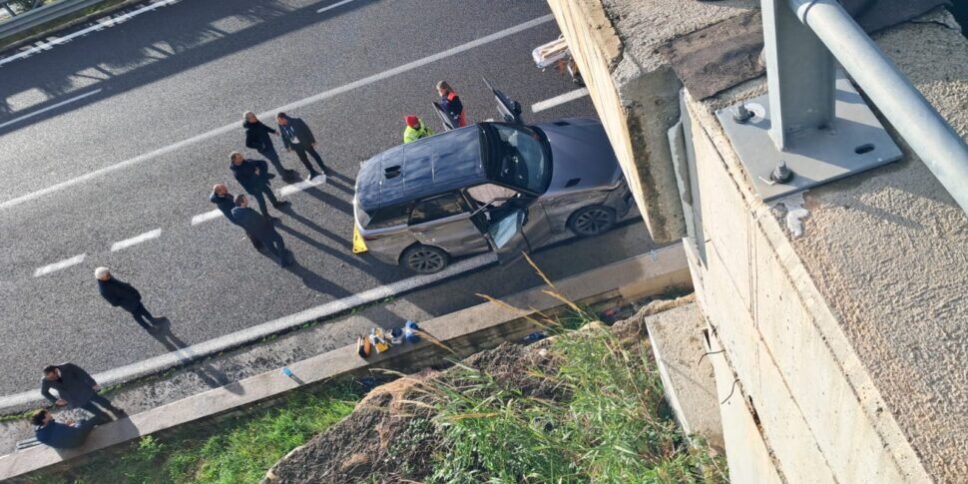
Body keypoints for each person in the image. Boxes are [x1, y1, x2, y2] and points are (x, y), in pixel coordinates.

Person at [40, 363, 125, 424]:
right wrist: (56, 401)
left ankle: (113, 408)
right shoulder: (46, 380)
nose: (52, 379)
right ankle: (103, 416)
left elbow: (82, 374)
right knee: (90, 408)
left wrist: (93, 384)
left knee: (100, 400)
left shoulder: (68, 367)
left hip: (83, 390)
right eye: (49, 378)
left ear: (56, 370)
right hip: (72, 398)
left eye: (53, 377)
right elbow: (44, 392)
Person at [231, 194, 291, 267]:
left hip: (257, 233)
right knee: (279, 239)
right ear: (242, 203)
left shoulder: (236, 212)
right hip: (264, 230)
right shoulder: (248, 214)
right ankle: (283, 260)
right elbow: (260, 221)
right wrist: (269, 224)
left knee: (269, 244)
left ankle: (279, 254)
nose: (247, 200)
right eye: (245, 199)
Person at [95, 267, 160, 332]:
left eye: (109, 273)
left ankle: (152, 320)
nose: (110, 275)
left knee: (143, 309)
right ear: (102, 278)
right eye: (107, 275)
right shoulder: (104, 290)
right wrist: (125, 301)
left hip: (133, 297)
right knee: (137, 315)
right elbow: (114, 302)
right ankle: (148, 328)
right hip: (128, 304)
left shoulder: (108, 278)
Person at [230, 151, 290, 219]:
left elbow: (260, 163)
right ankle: (265, 215)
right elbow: (246, 183)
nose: (242, 158)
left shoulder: (246, 161)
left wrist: (263, 172)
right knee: (261, 201)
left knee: (269, 192)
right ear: (234, 160)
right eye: (239, 157)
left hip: (259, 182)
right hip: (253, 188)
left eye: (241, 156)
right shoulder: (237, 173)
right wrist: (255, 174)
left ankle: (276, 204)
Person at [243, 111, 298, 181]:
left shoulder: (256, 122)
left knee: (276, 159)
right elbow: (248, 144)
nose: (255, 117)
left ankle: (283, 171)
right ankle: (284, 176)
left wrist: (273, 131)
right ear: (248, 120)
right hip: (265, 149)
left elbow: (264, 127)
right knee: (275, 161)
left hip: (269, 144)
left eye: (254, 115)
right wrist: (261, 145)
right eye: (252, 117)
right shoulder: (249, 130)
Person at [210, 183, 264, 252]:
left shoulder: (221, 195)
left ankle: (258, 239)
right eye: (224, 188)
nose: (226, 188)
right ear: (219, 192)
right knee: (249, 228)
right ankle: (257, 245)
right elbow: (234, 208)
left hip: (238, 215)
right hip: (237, 218)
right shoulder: (223, 202)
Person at [277, 112, 328, 181]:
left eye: (279, 120)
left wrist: (312, 141)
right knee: (304, 159)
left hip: (305, 142)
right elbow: (283, 136)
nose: (278, 122)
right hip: (296, 145)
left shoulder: (297, 121)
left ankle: (323, 167)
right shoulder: (281, 125)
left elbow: (307, 130)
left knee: (314, 155)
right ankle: (312, 171)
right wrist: (287, 146)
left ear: (284, 119)